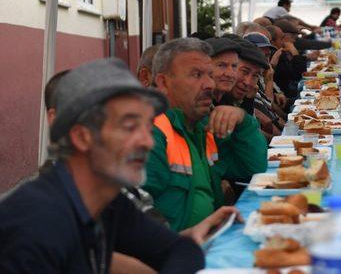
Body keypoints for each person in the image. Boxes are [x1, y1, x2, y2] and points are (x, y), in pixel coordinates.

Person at [0, 59, 205, 273]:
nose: (148, 141)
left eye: (147, 127)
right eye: (129, 127)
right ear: (81, 137)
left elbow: (181, 249)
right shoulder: (34, 226)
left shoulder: (107, 201)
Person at [145, 38, 267, 232]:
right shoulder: (149, 134)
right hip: (182, 255)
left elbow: (254, 168)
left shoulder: (201, 125)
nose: (209, 84)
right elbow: (135, 225)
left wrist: (243, 120)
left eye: (210, 75)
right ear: (163, 82)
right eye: (196, 75)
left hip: (212, 240)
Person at [205, 37, 241, 106]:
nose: (230, 74)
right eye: (221, 65)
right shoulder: (192, 108)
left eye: (234, 66)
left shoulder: (230, 103)